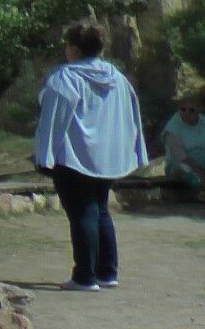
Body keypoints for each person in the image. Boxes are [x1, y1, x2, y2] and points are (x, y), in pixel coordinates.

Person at [34, 21, 149, 291]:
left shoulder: (64, 77)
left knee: (82, 213)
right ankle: (107, 272)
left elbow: (52, 118)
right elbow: (130, 116)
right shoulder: (117, 78)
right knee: (100, 210)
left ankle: (84, 276)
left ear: (75, 48)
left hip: (73, 156)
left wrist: (44, 155)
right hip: (107, 157)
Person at [162, 93, 205, 193]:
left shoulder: (203, 121)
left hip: (201, 163)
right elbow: (182, 157)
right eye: (183, 109)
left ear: (199, 109)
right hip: (180, 164)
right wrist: (200, 172)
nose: (187, 113)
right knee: (188, 173)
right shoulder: (172, 128)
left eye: (191, 110)